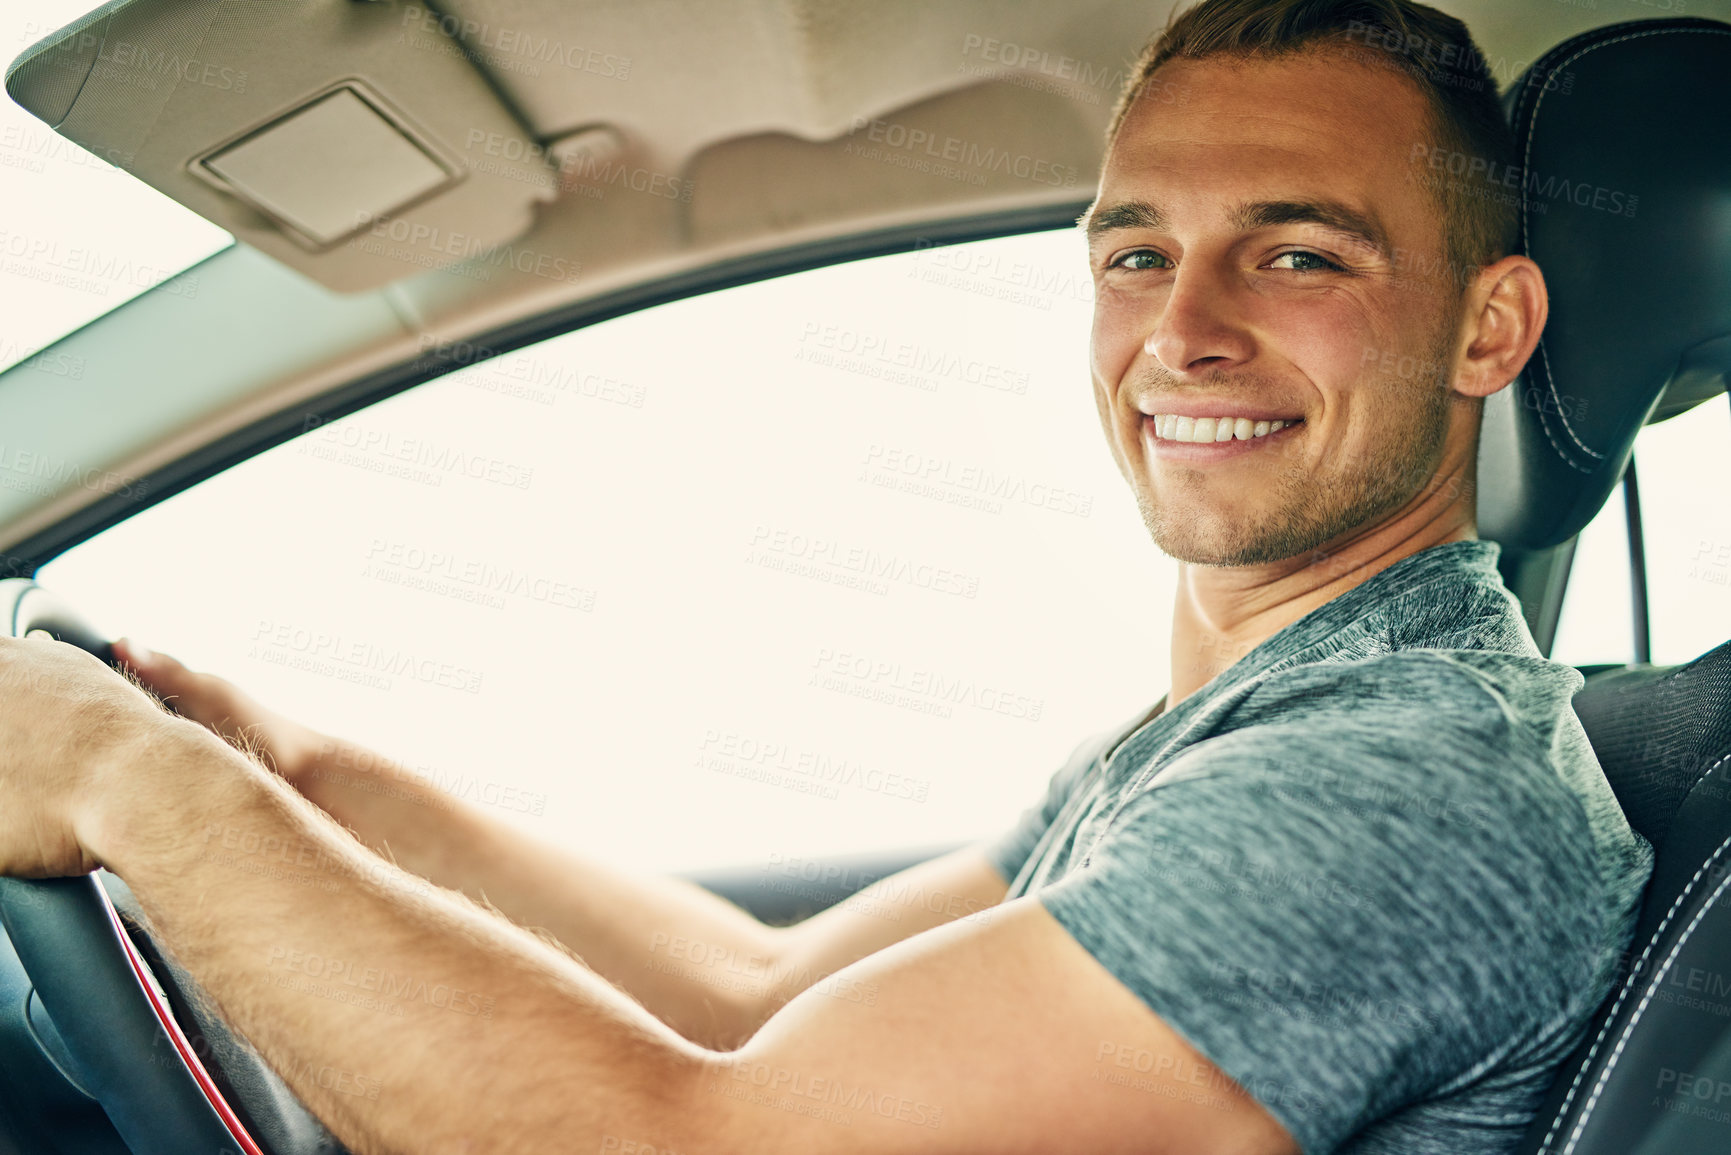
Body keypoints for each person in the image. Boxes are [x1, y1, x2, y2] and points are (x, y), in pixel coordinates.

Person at [0, 0, 1653, 1151]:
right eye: (1137, 252)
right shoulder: (1243, 725)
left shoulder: (1399, 784)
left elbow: (697, 1140)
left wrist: (123, 781)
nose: (1182, 330)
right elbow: (762, 985)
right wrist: (289, 772)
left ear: (1489, 327)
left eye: (1297, 253)